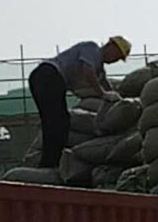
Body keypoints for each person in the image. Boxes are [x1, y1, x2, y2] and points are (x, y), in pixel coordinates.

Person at [29, 36, 131, 167]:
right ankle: (50, 162)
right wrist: (103, 94)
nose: (115, 60)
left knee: (55, 121)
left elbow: (103, 83)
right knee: (56, 122)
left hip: (45, 78)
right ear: (111, 46)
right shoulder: (92, 48)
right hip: (48, 75)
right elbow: (87, 71)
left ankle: (50, 161)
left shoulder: (99, 67)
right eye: (117, 55)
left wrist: (117, 99)